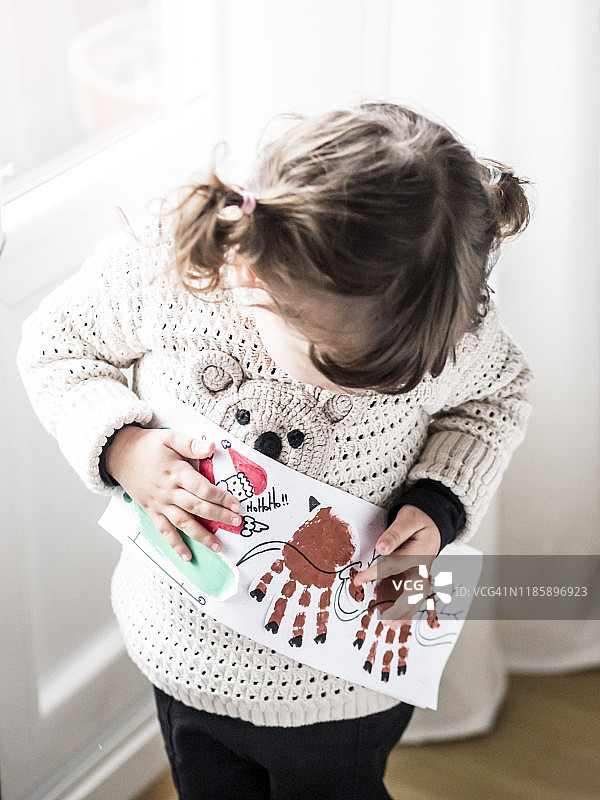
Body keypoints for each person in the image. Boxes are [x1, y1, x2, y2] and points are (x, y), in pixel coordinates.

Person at [17, 102, 532, 800]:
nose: (393, 389)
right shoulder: (162, 273)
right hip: (185, 651)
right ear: (256, 284)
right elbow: (57, 348)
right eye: (345, 370)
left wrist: (437, 505)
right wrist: (123, 448)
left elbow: (493, 401)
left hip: (345, 688)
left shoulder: (440, 320)